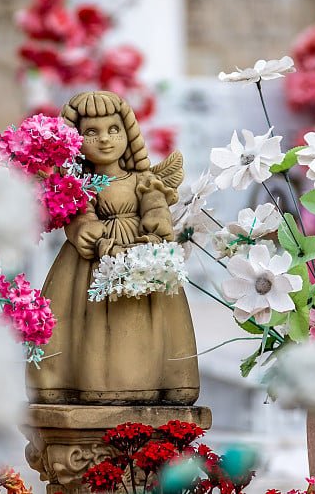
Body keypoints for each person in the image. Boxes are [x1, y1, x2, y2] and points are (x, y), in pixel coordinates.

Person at [27, 91, 199, 405]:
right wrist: (95, 237)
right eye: (91, 132)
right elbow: (80, 217)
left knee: (150, 326)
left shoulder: (144, 180)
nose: (105, 139)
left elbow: (156, 210)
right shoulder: (77, 186)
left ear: (128, 134)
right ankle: (85, 383)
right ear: (75, 141)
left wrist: (153, 235)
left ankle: (155, 382)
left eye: (114, 130)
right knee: (87, 327)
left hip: (143, 259)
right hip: (91, 265)